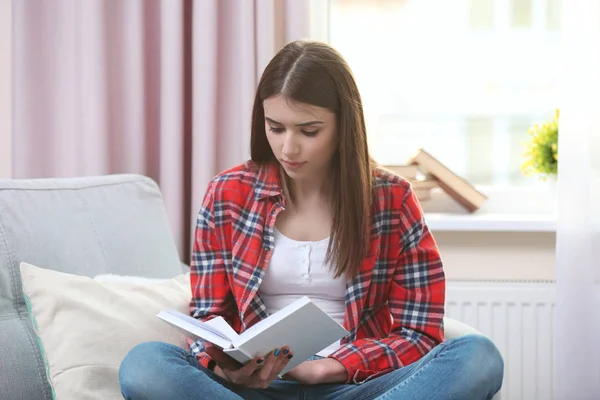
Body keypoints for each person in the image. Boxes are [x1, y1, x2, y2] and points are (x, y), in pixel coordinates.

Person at [119, 40, 504, 400]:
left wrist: (334, 367)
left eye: (309, 130)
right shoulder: (227, 194)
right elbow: (209, 315)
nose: (289, 147)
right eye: (276, 127)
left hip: (357, 386)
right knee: (145, 364)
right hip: (256, 389)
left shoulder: (392, 199)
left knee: (477, 356)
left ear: (343, 126)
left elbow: (419, 332)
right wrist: (226, 364)